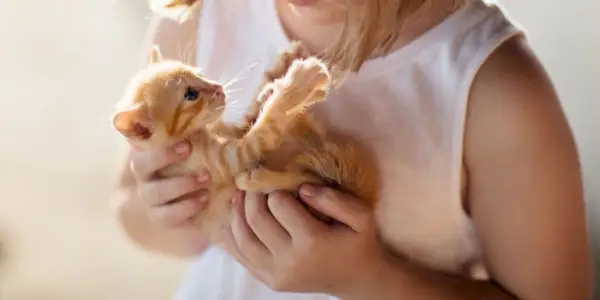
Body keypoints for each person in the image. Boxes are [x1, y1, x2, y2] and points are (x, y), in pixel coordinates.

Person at [111, 0, 594, 299]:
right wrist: (169, 209)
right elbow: (130, 210)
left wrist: (368, 279)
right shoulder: (197, 18)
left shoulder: (495, 91)